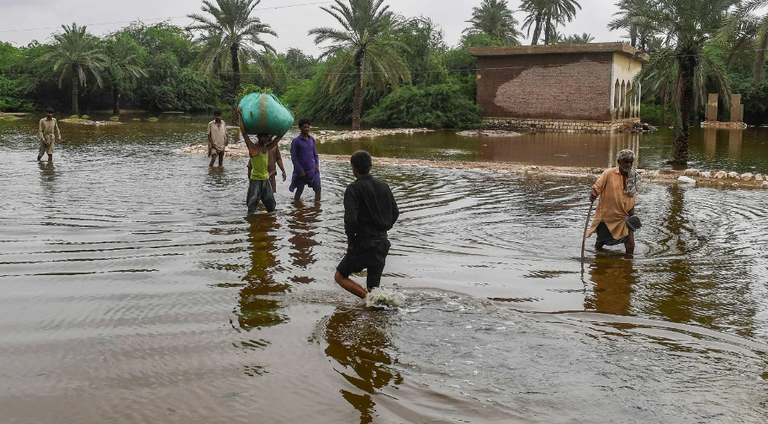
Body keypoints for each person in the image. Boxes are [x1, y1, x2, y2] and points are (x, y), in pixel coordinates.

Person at [334, 151, 399, 299]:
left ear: (354, 168)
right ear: (370, 166)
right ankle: (374, 307)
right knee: (373, 287)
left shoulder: (353, 189)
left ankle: (370, 301)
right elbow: (395, 212)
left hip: (363, 243)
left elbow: (350, 220)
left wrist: (352, 240)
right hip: (382, 243)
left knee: (340, 276)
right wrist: (384, 228)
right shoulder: (384, 186)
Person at [587, 149, 642, 254]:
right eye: (626, 162)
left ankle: (627, 267)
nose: (628, 164)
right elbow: (596, 188)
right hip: (607, 216)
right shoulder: (608, 174)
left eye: (631, 162)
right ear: (619, 162)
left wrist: (632, 215)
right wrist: (593, 194)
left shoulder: (634, 176)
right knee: (600, 243)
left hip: (624, 216)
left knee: (630, 246)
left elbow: (632, 197)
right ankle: (598, 261)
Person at [237, 107, 283, 215]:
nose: (266, 138)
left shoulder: (267, 148)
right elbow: (244, 134)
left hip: (266, 180)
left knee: (271, 206)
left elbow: (278, 138)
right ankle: (252, 227)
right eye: (264, 137)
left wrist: (288, 123)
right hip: (256, 180)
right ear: (259, 137)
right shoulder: (253, 148)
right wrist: (240, 115)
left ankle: (268, 226)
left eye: (267, 137)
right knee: (252, 206)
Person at [289, 118, 321, 202]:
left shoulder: (311, 139)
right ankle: (297, 207)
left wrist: (317, 165)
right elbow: (294, 157)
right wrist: (300, 170)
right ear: (300, 128)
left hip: (313, 170)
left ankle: (317, 208)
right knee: (299, 190)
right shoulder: (296, 141)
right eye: (305, 127)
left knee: (318, 189)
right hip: (301, 171)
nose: (307, 129)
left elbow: (315, 154)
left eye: (308, 127)